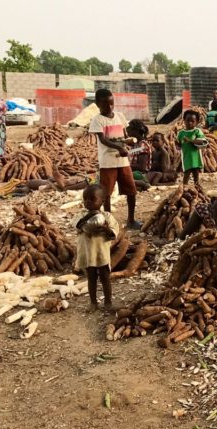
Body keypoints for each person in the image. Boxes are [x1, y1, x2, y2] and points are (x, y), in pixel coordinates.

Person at [88, 88, 140, 229]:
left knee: (131, 190)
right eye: (105, 104)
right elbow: (103, 140)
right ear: (98, 104)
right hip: (107, 162)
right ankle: (108, 220)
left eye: (112, 104)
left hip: (122, 161)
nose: (109, 107)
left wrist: (128, 142)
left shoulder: (119, 116)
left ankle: (131, 219)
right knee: (106, 193)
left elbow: (124, 136)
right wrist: (118, 147)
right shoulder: (97, 120)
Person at [75, 184, 119, 312]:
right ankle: (93, 303)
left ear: (102, 201)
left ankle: (108, 302)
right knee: (91, 278)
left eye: (92, 199)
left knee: (105, 278)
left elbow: (114, 233)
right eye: (85, 199)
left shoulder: (107, 217)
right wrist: (89, 218)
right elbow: (77, 226)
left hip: (101, 254)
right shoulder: (81, 215)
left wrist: (105, 229)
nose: (87, 202)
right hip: (88, 254)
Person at [177, 110, 206, 186]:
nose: (189, 123)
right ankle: (184, 188)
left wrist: (190, 140)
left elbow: (202, 142)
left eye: (192, 121)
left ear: (196, 122)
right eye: (187, 120)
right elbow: (179, 145)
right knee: (186, 173)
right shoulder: (181, 133)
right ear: (184, 120)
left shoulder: (197, 131)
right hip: (186, 156)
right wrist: (177, 144)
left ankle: (197, 187)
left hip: (196, 157)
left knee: (196, 173)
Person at [125, 119, 152, 191]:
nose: (128, 132)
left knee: (121, 177)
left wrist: (125, 166)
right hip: (134, 172)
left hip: (140, 174)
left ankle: (141, 183)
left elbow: (142, 167)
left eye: (130, 129)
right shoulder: (135, 145)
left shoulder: (143, 145)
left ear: (136, 131)